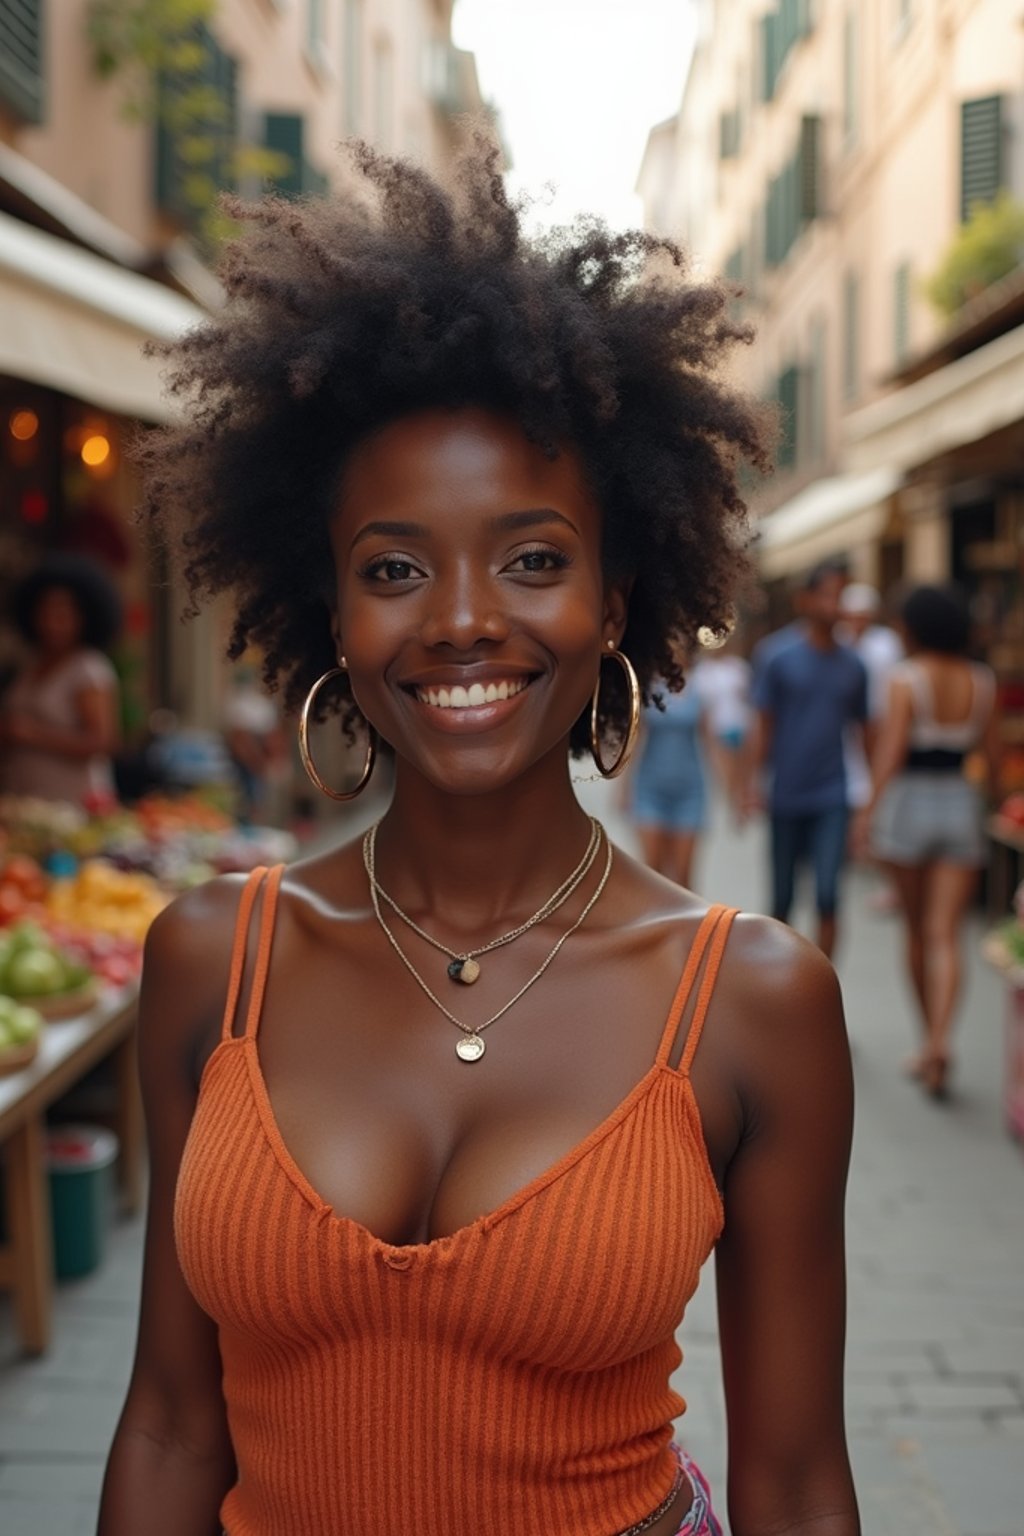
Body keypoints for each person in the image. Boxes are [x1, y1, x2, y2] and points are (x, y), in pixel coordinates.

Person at [99, 144, 859, 1536]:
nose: (459, 617)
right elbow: (166, 1419)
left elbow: (800, 1480)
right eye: (395, 567)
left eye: (530, 557)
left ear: (616, 600)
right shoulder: (215, 960)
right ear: (331, 612)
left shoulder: (755, 1003)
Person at [855, 585, 999, 1099]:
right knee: (946, 934)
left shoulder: (906, 679)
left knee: (915, 932)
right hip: (960, 802)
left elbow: (890, 752)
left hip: (910, 808)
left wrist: (867, 813)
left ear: (915, 628)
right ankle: (941, 1039)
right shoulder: (981, 680)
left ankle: (927, 1043)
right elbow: (993, 755)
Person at [749, 563, 869, 960]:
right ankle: (779, 987)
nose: (833, 604)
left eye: (839, 594)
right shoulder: (776, 656)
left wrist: (869, 802)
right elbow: (763, 724)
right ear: (805, 600)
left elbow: (866, 731)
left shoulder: (854, 665)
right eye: (826, 594)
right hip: (786, 791)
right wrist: (750, 784)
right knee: (782, 896)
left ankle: (824, 990)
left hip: (833, 794)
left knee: (828, 894)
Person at [0, 552, 121, 807]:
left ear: (83, 617)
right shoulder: (28, 664)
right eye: (46, 613)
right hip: (23, 798)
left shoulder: (88, 668)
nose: (53, 624)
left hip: (72, 804)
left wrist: (32, 734)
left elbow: (102, 741)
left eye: (63, 615)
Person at [630, 674, 708, 889]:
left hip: (689, 789)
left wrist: (735, 788)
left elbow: (710, 741)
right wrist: (623, 787)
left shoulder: (698, 688)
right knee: (653, 873)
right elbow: (636, 738)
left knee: (683, 877)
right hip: (651, 787)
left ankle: (687, 923)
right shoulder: (648, 690)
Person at [691, 633, 752, 823]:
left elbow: (748, 696)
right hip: (718, 728)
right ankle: (732, 804)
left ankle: (739, 800)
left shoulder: (738, 667)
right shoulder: (703, 672)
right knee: (725, 769)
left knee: (739, 769)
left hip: (740, 724)